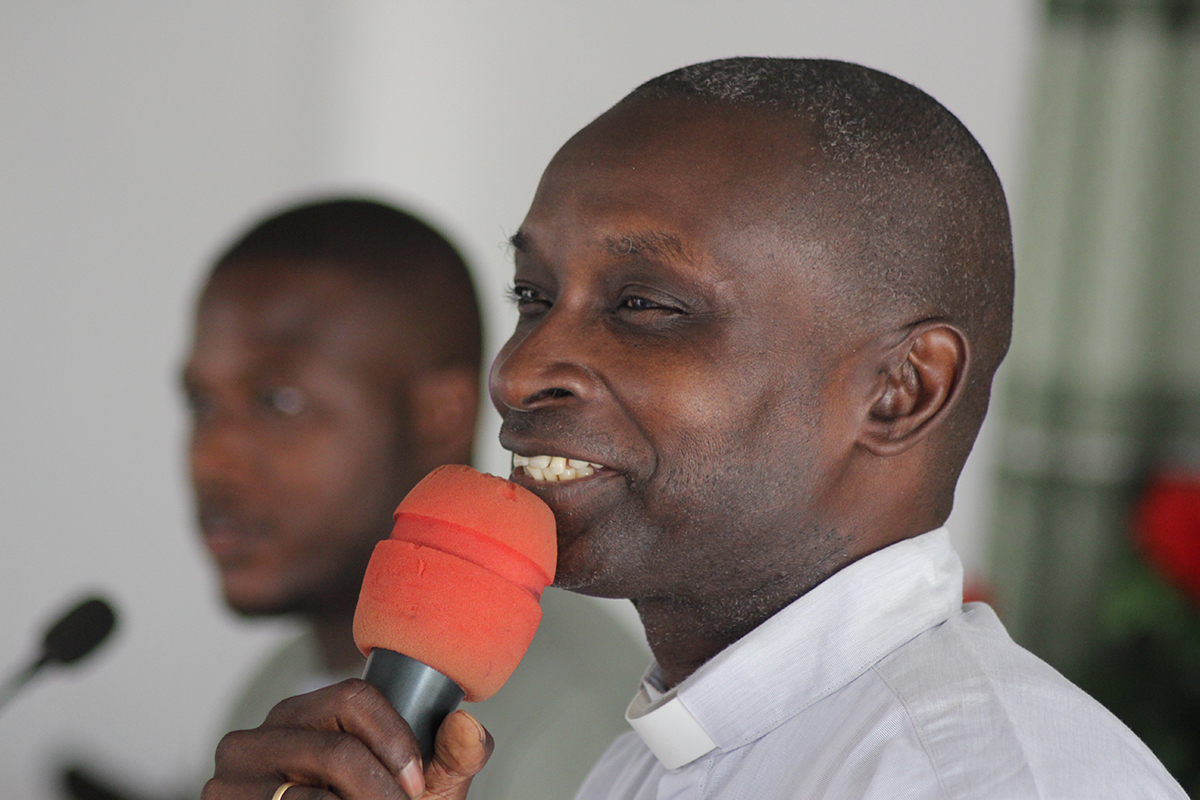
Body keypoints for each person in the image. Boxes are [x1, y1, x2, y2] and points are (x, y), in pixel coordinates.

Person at [200, 61, 1188, 800]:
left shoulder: (986, 778)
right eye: (534, 294)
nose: (518, 368)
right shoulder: (663, 754)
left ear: (901, 389)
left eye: (644, 305)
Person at [182, 198, 647, 800]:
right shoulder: (277, 686)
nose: (210, 458)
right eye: (201, 405)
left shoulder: (575, 708)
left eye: (278, 402)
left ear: (440, 414)